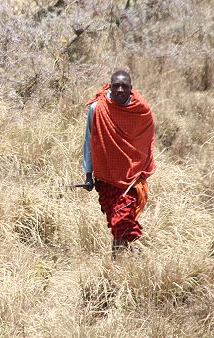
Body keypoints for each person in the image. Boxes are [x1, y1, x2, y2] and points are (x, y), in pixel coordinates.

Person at [82, 70, 156, 257]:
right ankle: (130, 259)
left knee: (121, 220)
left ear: (131, 89)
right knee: (117, 222)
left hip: (131, 179)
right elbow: (89, 142)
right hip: (106, 177)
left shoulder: (141, 111)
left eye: (124, 86)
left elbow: (146, 144)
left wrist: (141, 170)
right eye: (116, 86)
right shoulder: (98, 109)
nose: (120, 90)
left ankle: (120, 262)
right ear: (110, 86)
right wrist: (88, 175)